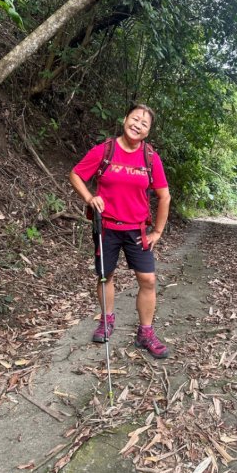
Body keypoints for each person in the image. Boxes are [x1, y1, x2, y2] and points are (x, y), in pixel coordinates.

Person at [69, 104, 171, 359]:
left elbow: (164, 196)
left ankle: (145, 333)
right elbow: (76, 175)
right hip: (107, 229)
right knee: (106, 276)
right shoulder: (105, 150)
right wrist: (90, 198)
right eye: (134, 119)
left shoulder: (150, 158)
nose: (137, 125)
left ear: (147, 132)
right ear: (125, 119)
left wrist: (157, 231)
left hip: (137, 230)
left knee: (148, 280)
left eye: (144, 124)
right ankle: (107, 320)